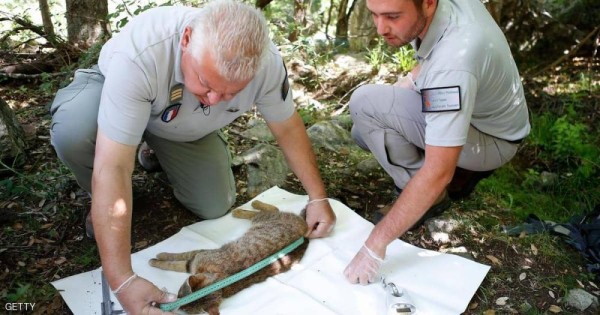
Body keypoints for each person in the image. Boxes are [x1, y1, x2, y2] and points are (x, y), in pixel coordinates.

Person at [49, 0, 336, 313]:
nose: (214, 99)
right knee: (74, 133)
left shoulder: (266, 64)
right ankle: (99, 198)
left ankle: (153, 150)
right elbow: (113, 166)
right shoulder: (143, 53)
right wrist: (121, 280)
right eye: (207, 83)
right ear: (186, 40)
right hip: (112, 96)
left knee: (214, 204)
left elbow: (288, 128)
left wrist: (318, 197)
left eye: (229, 93)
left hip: (177, 125)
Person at [343, 0, 530, 285]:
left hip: (492, 140)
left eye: (392, 16)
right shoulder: (446, 10)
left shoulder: (455, 60)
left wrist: (374, 245)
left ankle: (430, 196)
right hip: (482, 118)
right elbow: (433, 56)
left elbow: (438, 171)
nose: (381, 28)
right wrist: (407, 82)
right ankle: (451, 173)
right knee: (363, 129)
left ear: (428, 4)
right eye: (374, 14)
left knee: (365, 104)